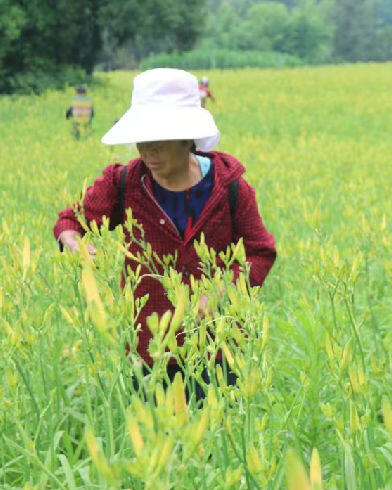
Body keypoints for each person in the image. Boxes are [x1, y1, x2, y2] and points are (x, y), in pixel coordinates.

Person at [54, 68, 276, 401]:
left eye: (161, 137)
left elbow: (260, 252)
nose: (148, 149)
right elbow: (71, 221)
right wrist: (75, 245)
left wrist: (218, 293)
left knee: (213, 447)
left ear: (188, 136)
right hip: (149, 352)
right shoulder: (124, 183)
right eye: (143, 137)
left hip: (217, 350)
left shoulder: (230, 187)